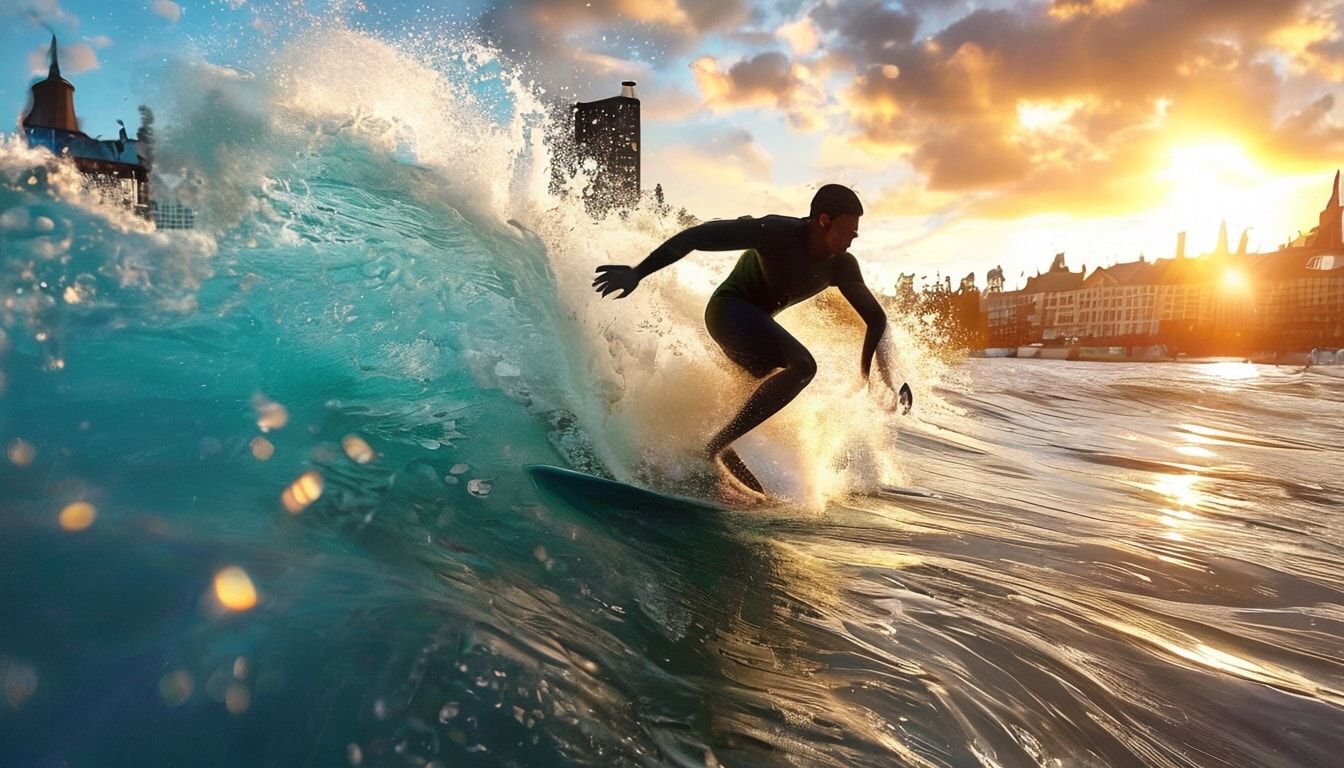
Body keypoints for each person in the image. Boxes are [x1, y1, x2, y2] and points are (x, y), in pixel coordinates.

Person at [592, 184, 893, 498]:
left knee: (766, 385)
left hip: (755, 329)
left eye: (854, 235)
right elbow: (698, 236)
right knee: (803, 365)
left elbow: (876, 319)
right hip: (728, 310)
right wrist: (638, 272)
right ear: (823, 221)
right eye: (846, 231)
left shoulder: (841, 266)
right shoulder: (777, 232)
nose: (850, 241)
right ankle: (715, 448)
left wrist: (869, 373)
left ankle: (708, 450)